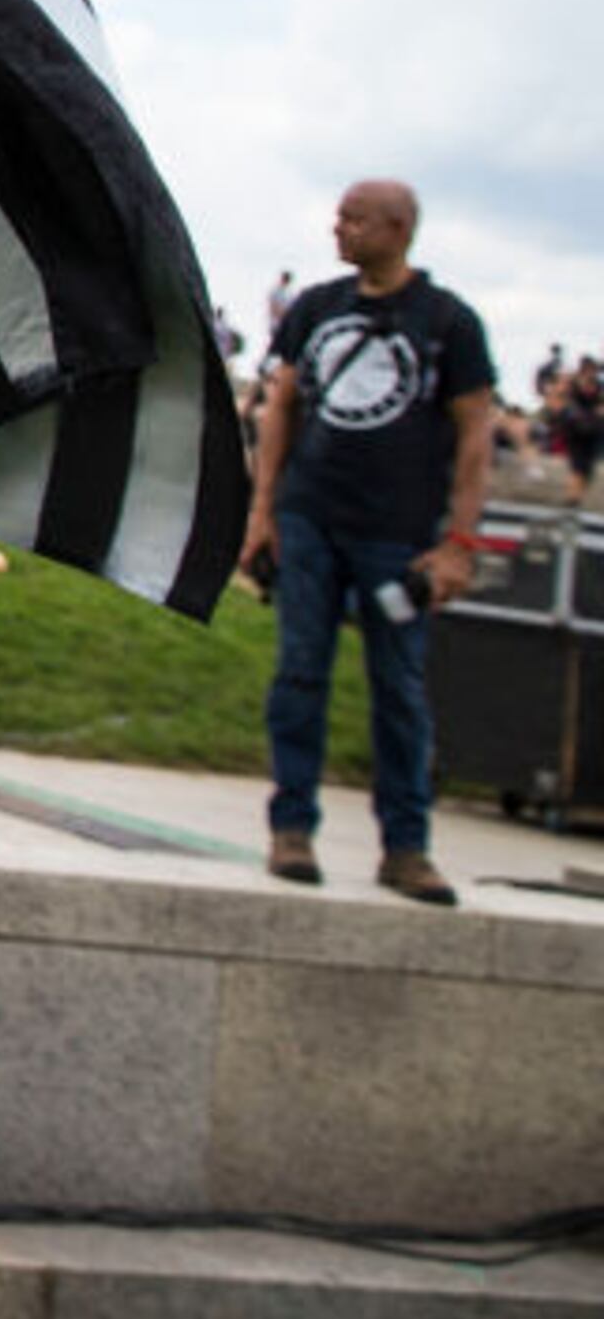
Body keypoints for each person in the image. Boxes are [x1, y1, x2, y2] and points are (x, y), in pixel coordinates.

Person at [247, 178, 495, 909]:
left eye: (353, 219)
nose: (338, 229)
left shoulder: (448, 322)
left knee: (400, 688)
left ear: (397, 227)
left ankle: (407, 845)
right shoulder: (319, 308)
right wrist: (262, 512)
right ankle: (291, 828)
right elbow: (280, 406)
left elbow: (476, 433)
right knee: (299, 672)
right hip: (310, 520)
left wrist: (459, 543)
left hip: (398, 538)